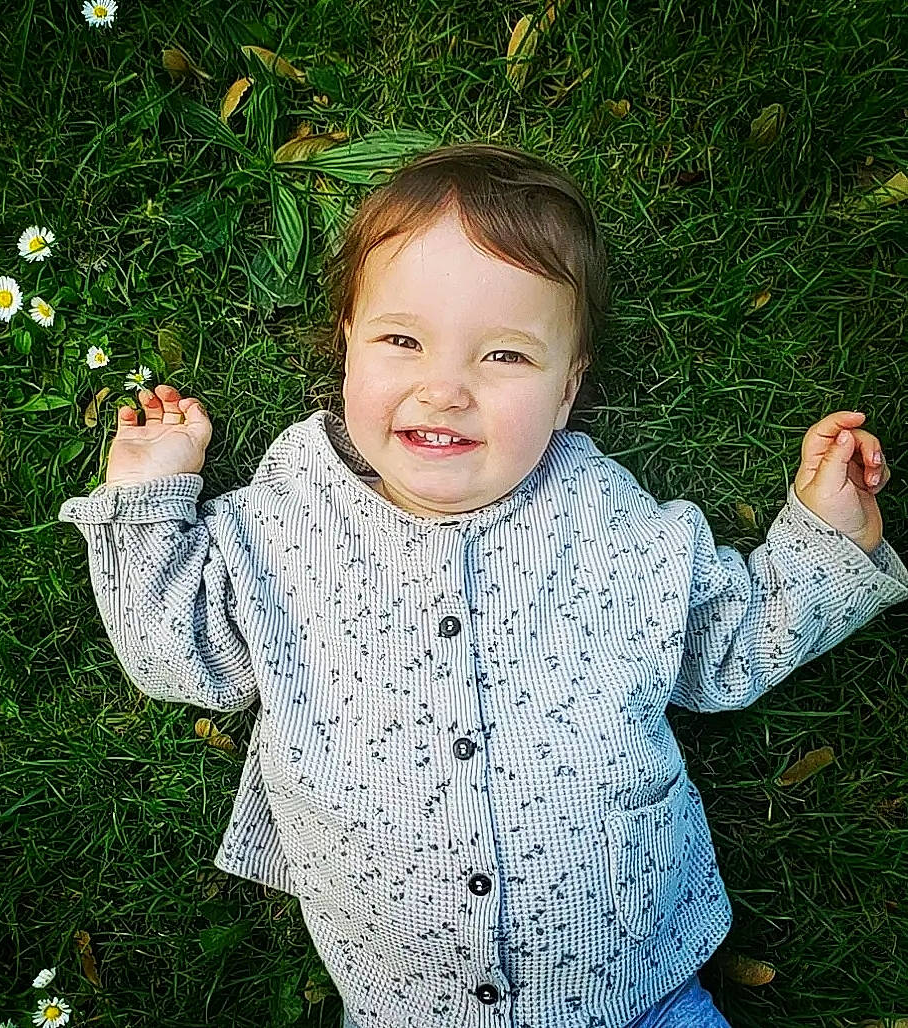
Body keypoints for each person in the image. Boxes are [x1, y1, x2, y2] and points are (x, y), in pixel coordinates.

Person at [57, 142, 908, 1028]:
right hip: (401, 1003)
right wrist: (150, 499)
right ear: (346, 348)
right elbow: (180, 659)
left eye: (504, 357)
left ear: (566, 390)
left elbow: (727, 644)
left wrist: (825, 536)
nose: (446, 387)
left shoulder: (602, 517)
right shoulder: (284, 515)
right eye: (401, 340)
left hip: (635, 992)